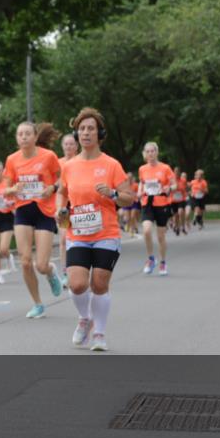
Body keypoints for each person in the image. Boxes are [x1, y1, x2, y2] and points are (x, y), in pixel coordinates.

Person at [56, 108, 134, 352]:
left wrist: (112, 194)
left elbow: (129, 198)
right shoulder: (69, 166)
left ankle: (99, 333)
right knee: (77, 284)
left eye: (90, 128)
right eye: (81, 129)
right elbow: (62, 192)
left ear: (99, 133)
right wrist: (61, 211)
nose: (86, 133)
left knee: (99, 284)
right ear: (76, 134)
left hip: (106, 234)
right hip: (78, 233)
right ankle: (84, 318)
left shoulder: (111, 165)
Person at [3, 121, 63, 318]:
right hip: (23, 210)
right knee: (26, 262)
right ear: (16, 138)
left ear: (35, 137)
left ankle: (50, 271)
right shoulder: (12, 160)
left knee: (41, 265)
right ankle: (37, 304)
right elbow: (6, 188)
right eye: (20, 134)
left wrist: (52, 188)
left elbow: (62, 178)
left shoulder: (48, 157)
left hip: (44, 211)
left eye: (28, 133)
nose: (24, 137)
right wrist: (13, 189)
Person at [138, 142, 176, 275]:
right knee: (147, 231)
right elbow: (141, 183)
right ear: (145, 154)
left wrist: (169, 188)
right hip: (147, 203)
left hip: (162, 204)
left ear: (157, 152)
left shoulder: (165, 168)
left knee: (161, 236)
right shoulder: (142, 169)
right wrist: (139, 191)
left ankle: (163, 263)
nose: (150, 154)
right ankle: (150, 259)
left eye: (152, 151)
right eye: (147, 151)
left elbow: (174, 185)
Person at [57, 132, 80, 286]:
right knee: (64, 239)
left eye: (72, 144)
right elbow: (54, 184)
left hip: (80, 205)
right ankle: (65, 273)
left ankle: (80, 270)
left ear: (76, 146)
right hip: (64, 206)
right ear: (62, 146)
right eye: (66, 144)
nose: (69, 146)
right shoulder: (57, 163)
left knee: (80, 239)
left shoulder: (81, 161)